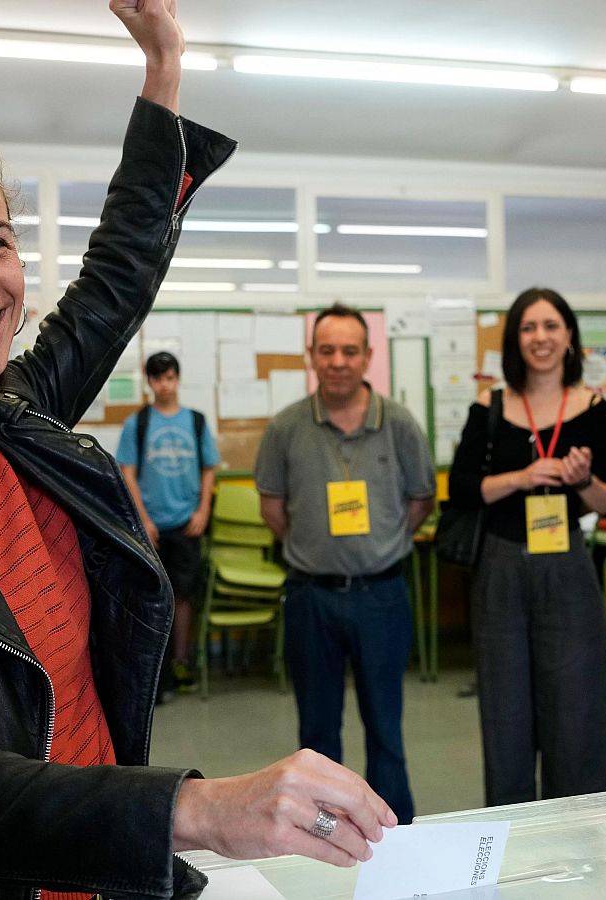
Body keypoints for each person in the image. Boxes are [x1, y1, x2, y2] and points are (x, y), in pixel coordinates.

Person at [0, 5, 395, 898]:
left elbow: (118, 274)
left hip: (105, 875)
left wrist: (164, 66)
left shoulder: (20, 422)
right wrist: (196, 811)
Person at [254, 303, 434, 825]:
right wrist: (320, 553)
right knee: (317, 733)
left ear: (368, 357)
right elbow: (273, 509)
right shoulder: (286, 427)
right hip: (311, 597)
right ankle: (323, 835)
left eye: (349, 350)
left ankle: (395, 836)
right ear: (312, 356)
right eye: (327, 350)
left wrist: (378, 547)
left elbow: (420, 502)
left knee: (385, 728)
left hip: (382, 596)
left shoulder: (399, 423)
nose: (338, 361)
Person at [447, 287, 606, 807]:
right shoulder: (490, 407)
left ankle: (580, 835)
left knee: (576, 710)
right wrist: (521, 477)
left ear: (569, 336)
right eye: (528, 327)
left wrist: (582, 479)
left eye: (551, 326)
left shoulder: (595, 410)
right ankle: (512, 844)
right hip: (500, 564)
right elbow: (462, 489)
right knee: (505, 715)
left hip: (566, 565)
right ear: (514, 339)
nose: (540, 338)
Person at [118, 350, 219, 694]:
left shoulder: (196, 421)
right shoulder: (138, 424)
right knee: (152, 598)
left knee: (185, 596)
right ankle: (155, 676)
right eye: (158, 378)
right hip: (151, 528)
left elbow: (210, 468)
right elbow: (127, 472)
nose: (165, 385)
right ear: (150, 382)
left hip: (187, 524)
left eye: (170, 377)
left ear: (178, 378)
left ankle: (181, 663)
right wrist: (143, 519)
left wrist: (203, 510)